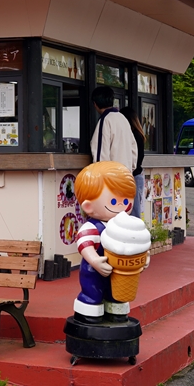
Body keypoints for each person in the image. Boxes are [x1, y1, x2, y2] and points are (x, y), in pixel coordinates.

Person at [72, 160, 137, 321]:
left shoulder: (127, 226)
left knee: (116, 294)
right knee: (93, 290)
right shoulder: (92, 227)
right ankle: (88, 309)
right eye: (114, 201)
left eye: (126, 201)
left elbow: (137, 245)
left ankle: (116, 310)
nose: (123, 206)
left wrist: (142, 259)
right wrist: (94, 260)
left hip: (119, 271)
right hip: (94, 269)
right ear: (88, 206)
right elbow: (84, 244)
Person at [89, 86, 137, 171]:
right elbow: (133, 149)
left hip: (112, 175)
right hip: (126, 173)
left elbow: (101, 153)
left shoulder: (105, 120)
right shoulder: (123, 118)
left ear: (95, 104)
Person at [119, 106, 145, 219]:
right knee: (134, 209)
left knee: (133, 210)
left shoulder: (132, 135)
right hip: (137, 175)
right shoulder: (139, 134)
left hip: (132, 176)